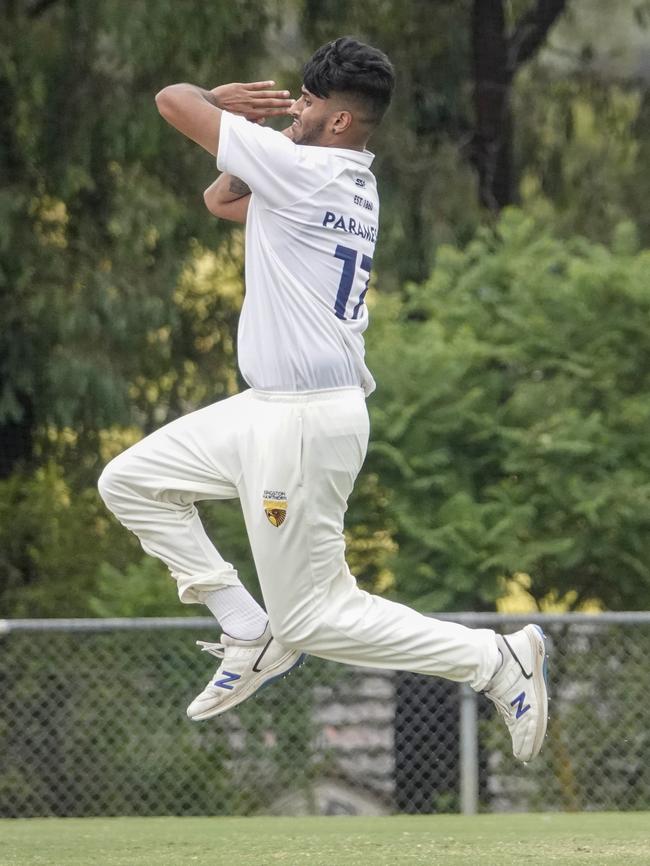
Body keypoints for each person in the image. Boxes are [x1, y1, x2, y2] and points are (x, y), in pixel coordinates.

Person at [98, 37, 548, 763]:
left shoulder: (306, 172)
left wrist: (218, 100)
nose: (295, 109)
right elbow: (222, 201)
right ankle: (247, 628)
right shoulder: (337, 178)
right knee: (129, 482)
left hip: (303, 420)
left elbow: (172, 102)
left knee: (311, 619)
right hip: (267, 408)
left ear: (341, 122)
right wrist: (273, 132)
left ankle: (495, 659)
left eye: (308, 103)